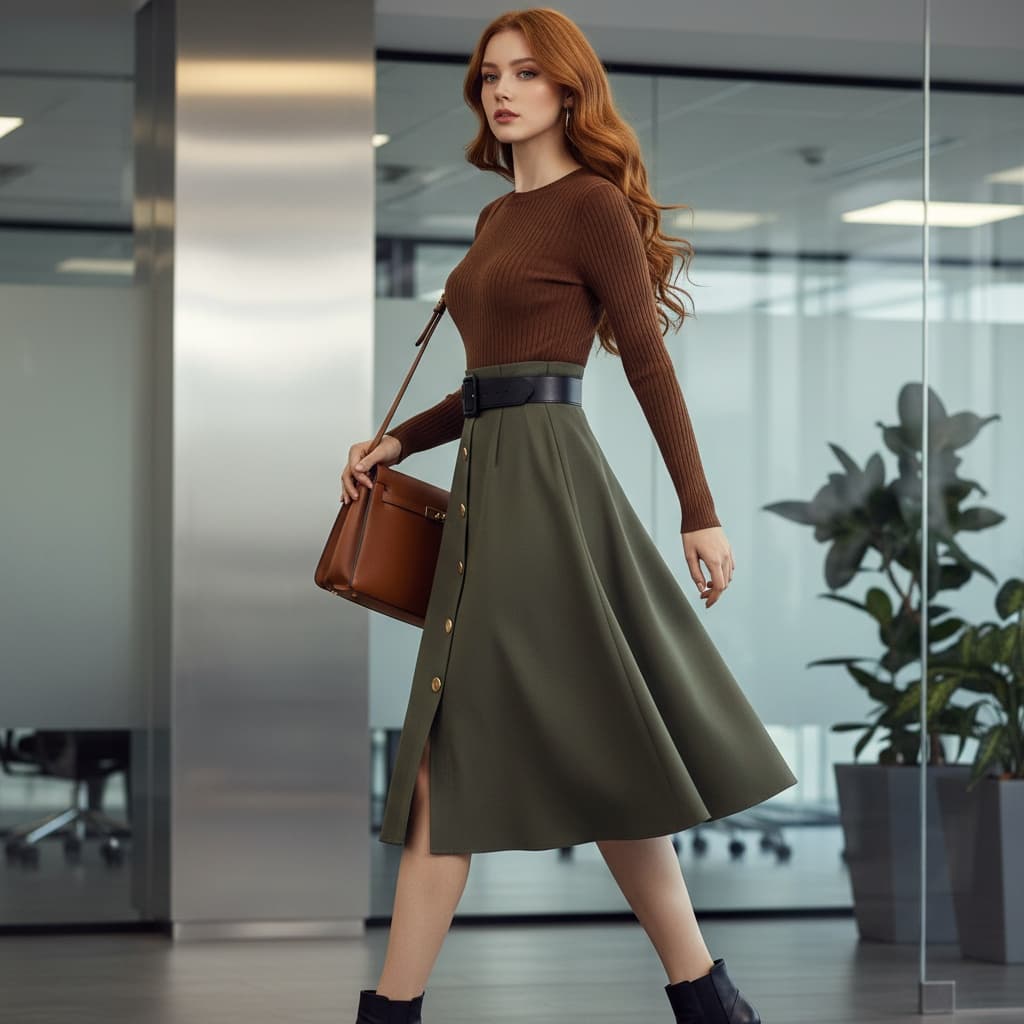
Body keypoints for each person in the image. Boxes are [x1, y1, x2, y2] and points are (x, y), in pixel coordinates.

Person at [341, 9, 796, 1023]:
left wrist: (700, 511)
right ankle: (710, 1005)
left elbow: (643, 358)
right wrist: (396, 443)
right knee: (600, 762)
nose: (501, 91)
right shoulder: (496, 217)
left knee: (482, 766)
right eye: (488, 74)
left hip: (550, 497)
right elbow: (485, 383)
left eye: (525, 74)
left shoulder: (589, 206)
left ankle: (394, 1013)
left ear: (565, 91)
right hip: (490, 493)